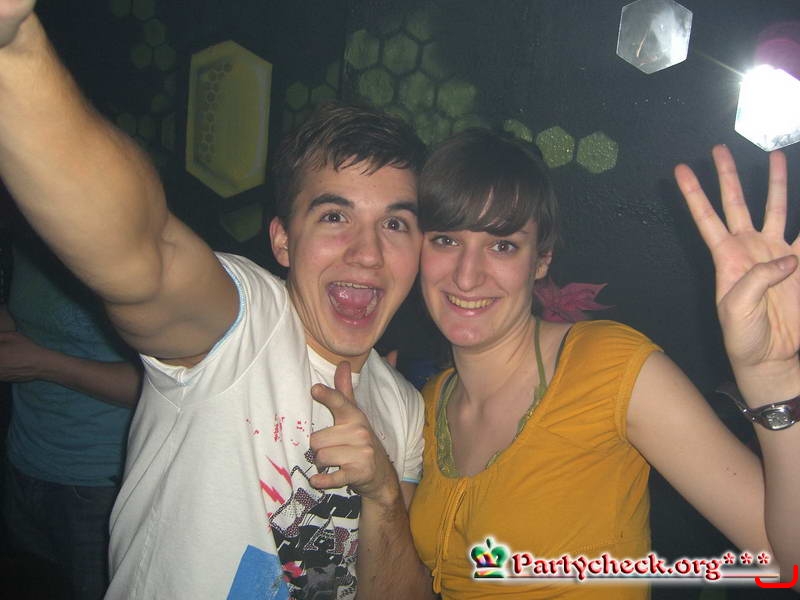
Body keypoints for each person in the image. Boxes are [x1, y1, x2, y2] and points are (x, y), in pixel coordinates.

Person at [0, 4, 429, 599]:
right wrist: (14, 48)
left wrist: (381, 492)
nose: (368, 253)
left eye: (396, 224)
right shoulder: (241, 325)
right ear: (282, 240)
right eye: (335, 215)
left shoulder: (404, 409)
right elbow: (142, 252)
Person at [407, 129, 800, 599]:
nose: (467, 276)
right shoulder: (427, 404)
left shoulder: (609, 367)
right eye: (446, 240)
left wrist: (772, 376)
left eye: (502, 245)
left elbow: (790, 563)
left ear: (541, 260)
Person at [0, 225, 141, 600]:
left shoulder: (131, 259)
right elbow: (30, 319)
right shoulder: (29, 236)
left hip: (97, 483)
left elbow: (159, 386)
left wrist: (45, 364)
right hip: (24, 458)